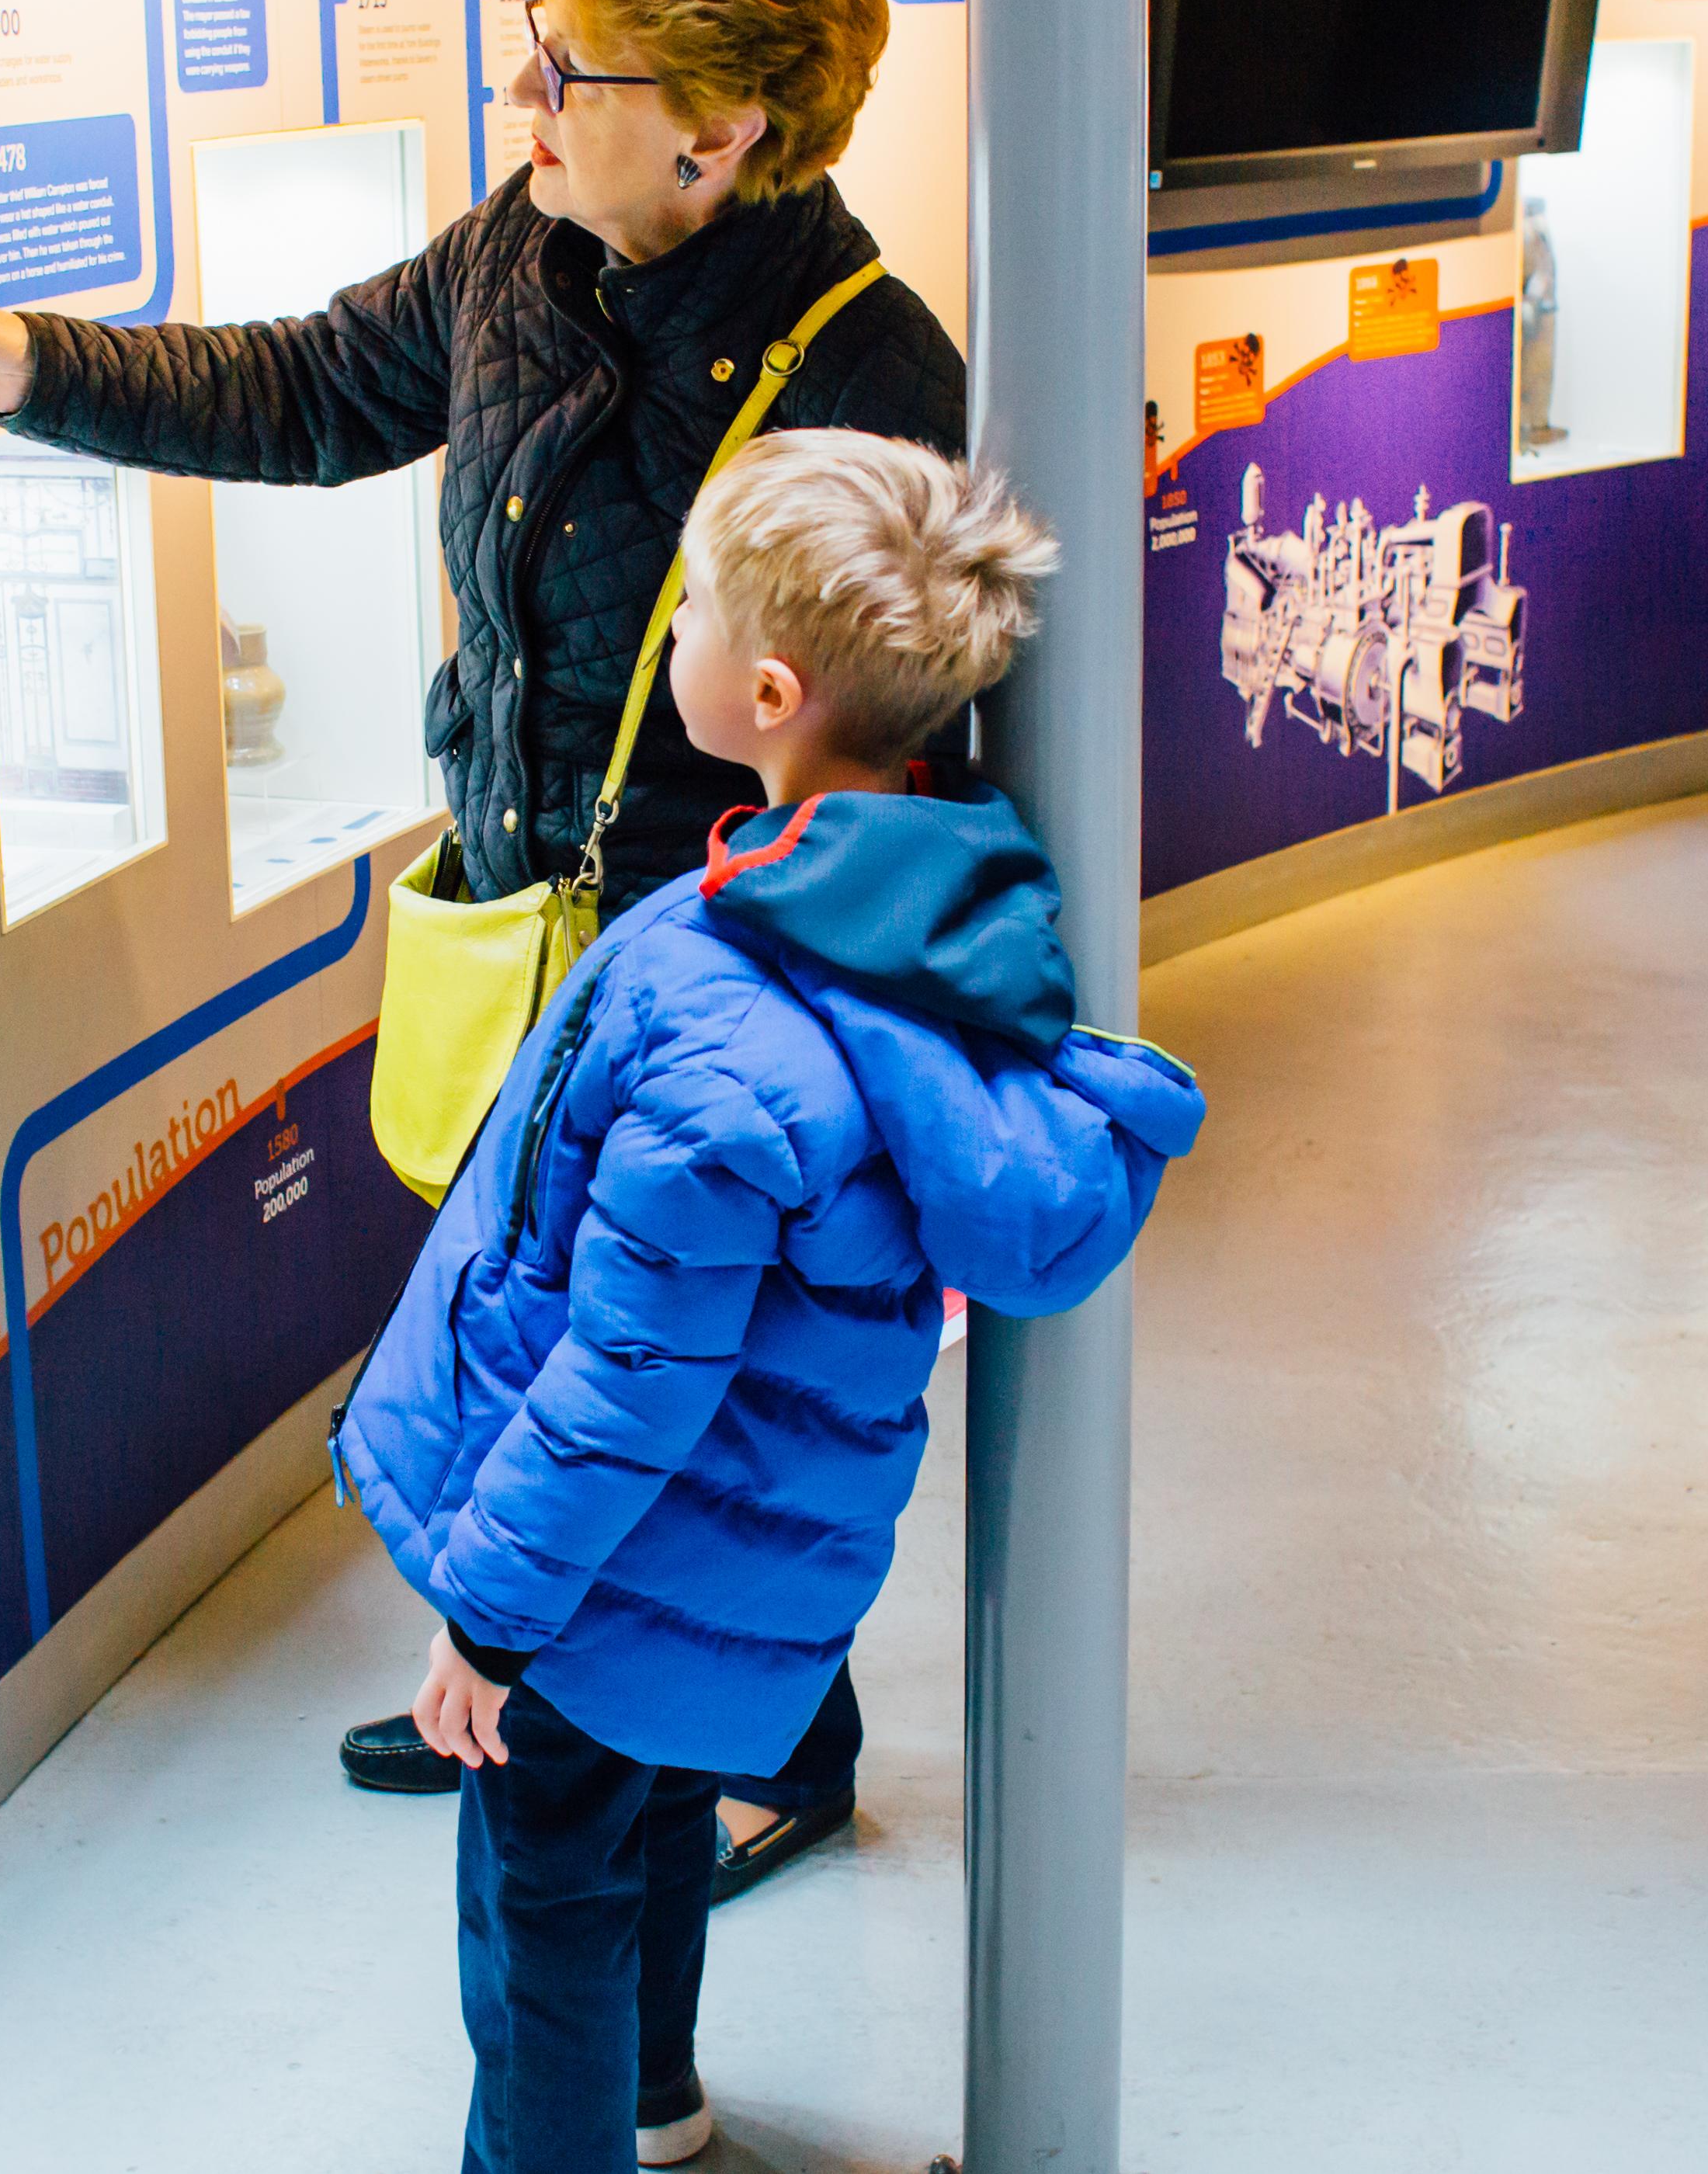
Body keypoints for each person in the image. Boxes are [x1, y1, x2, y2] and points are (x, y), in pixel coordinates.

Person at [0, 0, 963, 1891]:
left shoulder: (863, 366)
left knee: (705, 1381)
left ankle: (764, 1744)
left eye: (566, 69)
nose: (520, 99)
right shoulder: (511, 257)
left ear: (723, 124)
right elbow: (300, 384)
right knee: (539, 1327)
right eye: (526, 48)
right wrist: (22, 362)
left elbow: (907, 744)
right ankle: (532, 1682)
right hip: (528, 909)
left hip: (730, 974)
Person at [335, 429, 1199, 2173]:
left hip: (598, 1572)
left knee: (538, 1920)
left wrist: (491, 1617)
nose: (673, 640)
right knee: (648, 1830)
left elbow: (627, 1376)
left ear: (773, 687)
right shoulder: (914, 931)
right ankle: (661, 2100)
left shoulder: (727, 1026)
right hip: (724, 1570)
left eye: (697, 611)